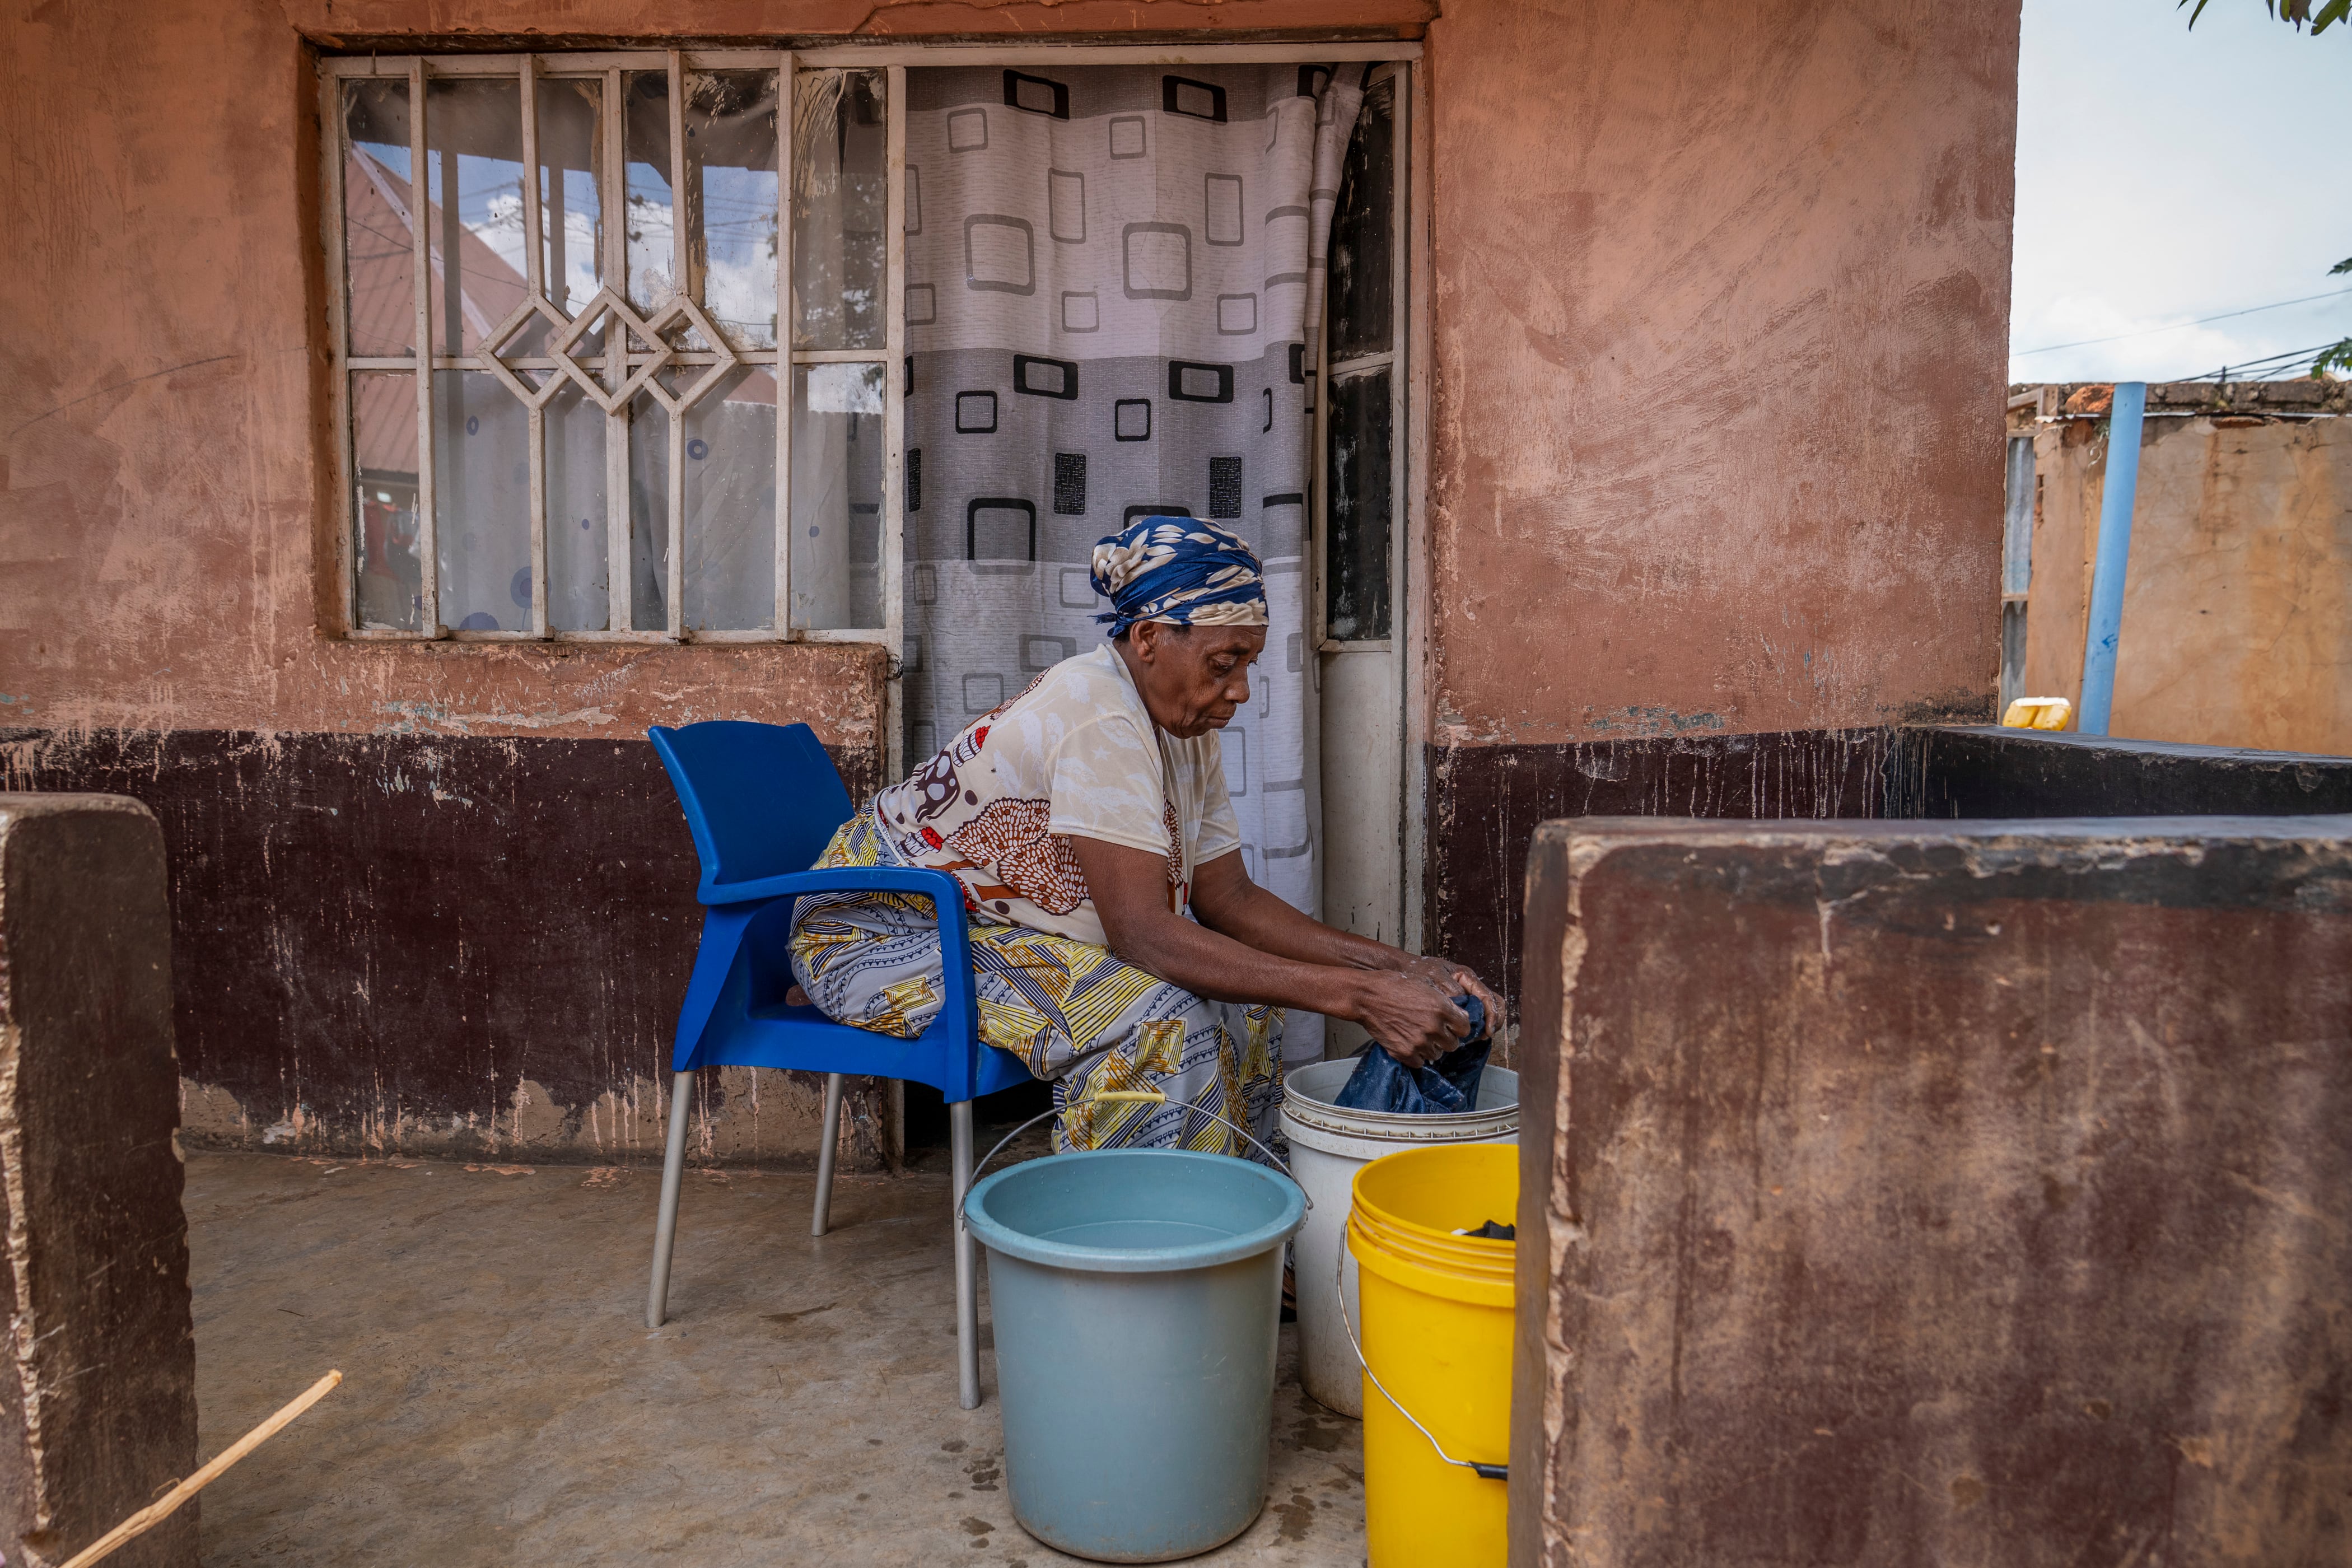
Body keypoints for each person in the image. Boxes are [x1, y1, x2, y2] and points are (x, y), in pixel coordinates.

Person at [789, 515, 1502, 1164]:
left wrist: (1401, 969)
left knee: (1247, 1002)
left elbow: (1230, 899)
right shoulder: (1097, 712)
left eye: (1248, 664)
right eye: (1224, 663)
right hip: (877, 929)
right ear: (1150, 639)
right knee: (1157, 1020)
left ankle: (1244, 1230)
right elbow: (1144, 936)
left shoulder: (1179, 728)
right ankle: (1146, 1250)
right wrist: (1360, 996)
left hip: (980, 927)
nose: (1242, 690)